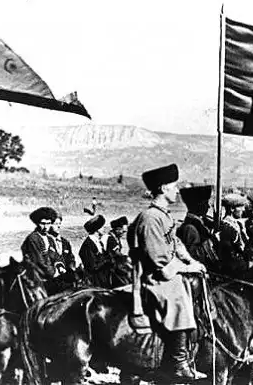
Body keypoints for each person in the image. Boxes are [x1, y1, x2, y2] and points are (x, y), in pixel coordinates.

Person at [129, 163, 206, 381]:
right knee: (179, 296)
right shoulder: (150, 218)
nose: (177, 190)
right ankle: (178, 361)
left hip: (164, 270)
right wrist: (186, 267)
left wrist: (191, 261)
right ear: (163, 189)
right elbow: (160, 262)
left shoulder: (163, 215)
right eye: (174, 186)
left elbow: (175, 242)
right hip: (153, 277)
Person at [177, 185, 219, 267]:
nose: (208, 206)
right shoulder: (190, 228)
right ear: (198, 205)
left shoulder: (200, 222)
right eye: (206, 203)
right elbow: (195, 256)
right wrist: (213, 239)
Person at [21, 207, 58, 280]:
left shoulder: (50, 239)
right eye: (43, 223)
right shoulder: (33, 238)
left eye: (48, 223)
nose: (46, 227)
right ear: (37, 223)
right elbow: (39, 261)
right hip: (37, 277)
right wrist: (54, 273)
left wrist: (59, 266)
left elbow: (56, 256)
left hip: (51, 273)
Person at [79, 214, 115, 288]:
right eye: (102, 227)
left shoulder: (98, 243)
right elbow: (93, 266)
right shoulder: (87, 245)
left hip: (102, 280)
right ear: (97, 229)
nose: (104, 229)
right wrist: (107, 260)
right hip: (94, 282)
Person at [47, 211, 77, 276]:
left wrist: (72, 267)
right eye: (56, 224)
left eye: (59, 223)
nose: (58, 226)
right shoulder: (46, 241)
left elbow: (71, 258)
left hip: (66, 276)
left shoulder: (65, 242)